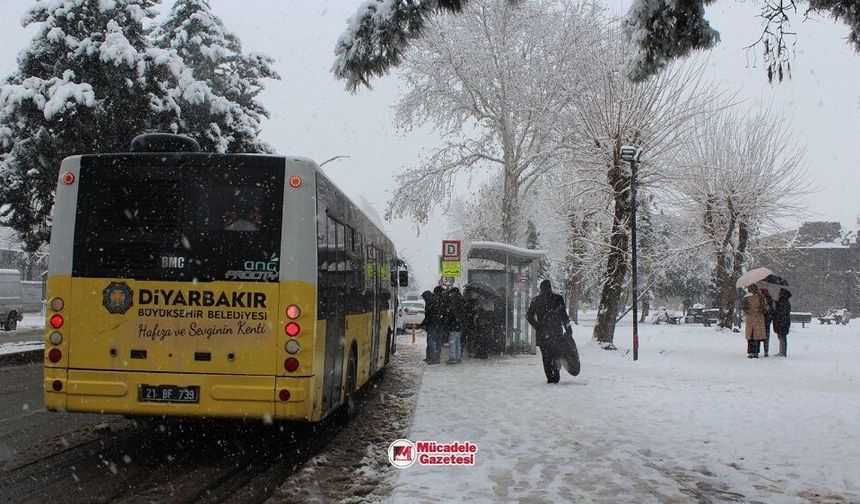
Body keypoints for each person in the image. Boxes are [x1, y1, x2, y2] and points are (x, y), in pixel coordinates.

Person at [526, 280, 573, 383]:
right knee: (556, 353)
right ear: (550, 287)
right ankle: (556, 372)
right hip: (556, 331)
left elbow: (529, 316)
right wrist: (568, 329)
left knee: (546, 356)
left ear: (541, 288)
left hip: (543, 333)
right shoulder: (558, 299)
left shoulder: (536, 300)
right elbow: (564, 316)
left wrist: (537, 326)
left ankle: (549, 376)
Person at [742, 284, 768, 358]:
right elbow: (765, 307)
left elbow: (744, 308)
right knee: (757, 336)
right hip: (758, 318)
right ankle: (756, 351)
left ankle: (751, 352)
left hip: (750, 318)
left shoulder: (746, 297)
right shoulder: (761, 297)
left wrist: (749, 311)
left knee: (750, 336)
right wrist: (760, 310)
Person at [419, 288, 443, 364]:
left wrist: (421, 325)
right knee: (438, 342)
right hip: (440, 324)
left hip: (433, 325)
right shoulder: (437, 301)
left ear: (426, 297)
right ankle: (436, 358)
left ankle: (432, 358)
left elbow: (428, 317)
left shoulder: (430, 303)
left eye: (424, 298)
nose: (424, 300)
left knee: (431, 341)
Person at [445, 288, 465, 364]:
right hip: (459, 325)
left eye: (452, 293)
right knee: (457, 342)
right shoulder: (461, 300)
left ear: (454, 293)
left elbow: (452, 313)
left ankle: (453, 358)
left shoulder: (454, 301)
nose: (451, 294)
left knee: (452, 342)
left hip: (454, 324)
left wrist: (451, 318)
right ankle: (458, 357)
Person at [772, 288, 792, 357]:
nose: (778, 294)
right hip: (783, 322)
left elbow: (780, 312)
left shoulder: (783, 302)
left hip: (782, 322)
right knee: (781, 337)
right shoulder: (784, 301)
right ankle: (782, 351)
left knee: (782, 337)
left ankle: (782, 352)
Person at [760, 288, 775, 357]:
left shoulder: (760, 299)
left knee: (759, 335)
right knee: (766, 336)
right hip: (767, 320)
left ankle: (758, 350)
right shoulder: (769, 299)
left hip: (760, 320)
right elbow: (772, 310)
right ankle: (766, 350)